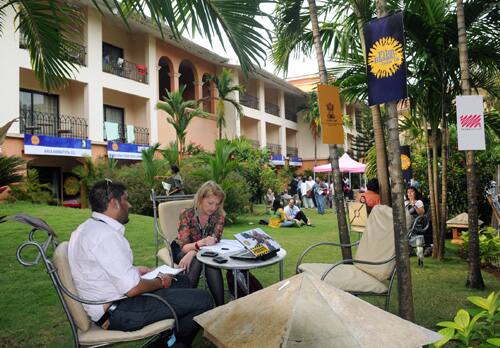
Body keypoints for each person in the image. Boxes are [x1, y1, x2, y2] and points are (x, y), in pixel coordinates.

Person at [68, 180, 213, 347]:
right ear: (114, 203)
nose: (129, 205)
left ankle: (168, 336)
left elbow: (101, 269)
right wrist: (160, 281)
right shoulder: (106, 236)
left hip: (113, 300)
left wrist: (136, 270)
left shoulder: (87, 228)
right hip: (119, 311)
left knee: (183, 281)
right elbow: (132, 289)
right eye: (126, 200)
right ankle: (173, 344)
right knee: (203, 300)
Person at [173, 181, 225, 306]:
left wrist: (194, 251)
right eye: (210, 203)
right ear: (200, 199)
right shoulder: (186, 214)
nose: (214, 208)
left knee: (210, 264)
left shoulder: (219, 216)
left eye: (217, 204)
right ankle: (187, 305)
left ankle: (221, 307)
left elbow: (214, 240)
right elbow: (184, 246)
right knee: (197, 261)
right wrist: (196, 247)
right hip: (181, 249)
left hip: (203, 251)